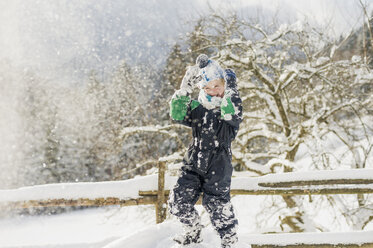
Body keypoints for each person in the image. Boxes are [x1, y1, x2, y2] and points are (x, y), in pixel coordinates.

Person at [168, 54, 243, 248]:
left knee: (217, 205)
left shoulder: (231, 107)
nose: (212, 92)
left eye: (217, 86)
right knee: (178, 202)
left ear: (224, 86)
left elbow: (230, 111)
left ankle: (230, 242)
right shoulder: (198, 108)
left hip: (218, 164)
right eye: (207, 87)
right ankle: (193, 232)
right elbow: (176, 114)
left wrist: (232, 90)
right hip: (194, 162)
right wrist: (185, 87)